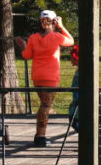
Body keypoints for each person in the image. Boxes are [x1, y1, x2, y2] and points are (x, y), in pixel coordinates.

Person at [15, 10, 74, 147]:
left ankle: (40, 134)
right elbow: (71, 41)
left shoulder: (33, 38)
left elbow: (26, 55)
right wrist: (61, 26)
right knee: (46, 105)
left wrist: (23, 45)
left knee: (44, 104)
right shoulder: (56, 36)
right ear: (54, 22)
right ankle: (40, 135)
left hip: (38, 76)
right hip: (51, 77)